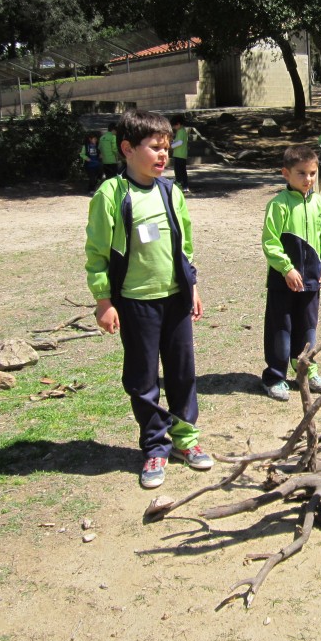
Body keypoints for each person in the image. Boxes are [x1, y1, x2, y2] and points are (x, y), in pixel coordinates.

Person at [85, 110, 213, 488]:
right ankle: (155, 446)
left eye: (166, 147)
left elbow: (183, 245)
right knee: (143, 379)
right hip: (135, 302)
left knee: (182, 372)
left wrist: (192, 286)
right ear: (127, 149)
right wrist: (103, 300)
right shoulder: (111, 194)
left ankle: (185, 439)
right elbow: (97, 253)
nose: (163, 155)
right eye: (155, 147)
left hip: (175, 300)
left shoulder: (170, 191)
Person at [261, 144, 321, 401]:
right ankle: (274, 377)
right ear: (286, 173)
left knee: (307, 329)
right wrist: (287, 269)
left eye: (312, 173)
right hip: (282, 282)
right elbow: (270, 242)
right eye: (301, 173)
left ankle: (306, 370)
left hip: (312, 281)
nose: (308, 179)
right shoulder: (278, 205)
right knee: (280, 330)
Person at [170, 114, 189, 192]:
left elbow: (180, 142)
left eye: (174, 126)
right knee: (183, 171)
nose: (174, 127)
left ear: (178, 124)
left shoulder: (180, 131)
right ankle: (185, 186)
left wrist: (171, 146)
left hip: (178, 155)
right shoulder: (183, 131)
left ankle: (179, 184)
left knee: (178, 171)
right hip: (183, 155)